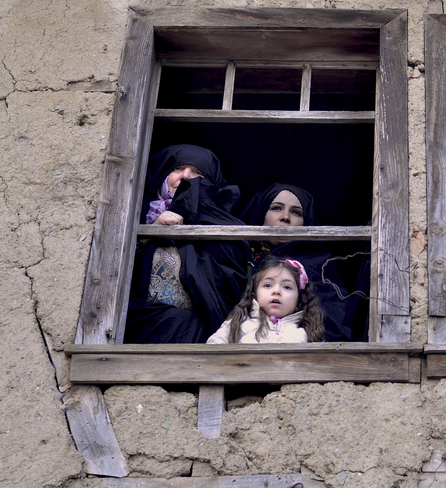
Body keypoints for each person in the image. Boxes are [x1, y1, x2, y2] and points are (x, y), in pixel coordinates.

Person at [125, 145, 249, 343]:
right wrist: (151, 232)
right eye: (178, 168)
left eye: (197, 172)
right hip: (139, 326)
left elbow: (225, 288)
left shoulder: (224, 226)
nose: (185, 176)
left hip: (193, 334)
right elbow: (116, 271)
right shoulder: (134, 214)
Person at [240, 183, 354, 341]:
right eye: (276, 208)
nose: (285, 217)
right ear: (261, 214)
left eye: (296, 212)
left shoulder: (318, 263)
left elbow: (335, 325)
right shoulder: (238, 257)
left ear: (305, 222)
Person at [207, 256, 325, 344]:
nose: (276, 291)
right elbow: (212, 352)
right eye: (268, 285)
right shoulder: (237, 324)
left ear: (298, 299)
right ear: (254, 295)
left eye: (287, 287)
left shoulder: (306, 335)